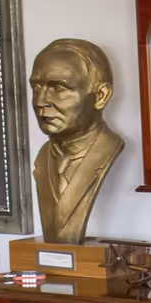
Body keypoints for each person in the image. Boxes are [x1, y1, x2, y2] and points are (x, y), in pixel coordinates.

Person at [28, 38, 124, 244]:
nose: (40, 101)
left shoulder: (108, 149)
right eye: (36, 87)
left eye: (59, 88)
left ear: (101, 96)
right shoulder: (43, 160)